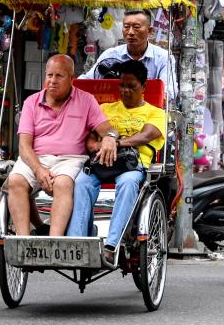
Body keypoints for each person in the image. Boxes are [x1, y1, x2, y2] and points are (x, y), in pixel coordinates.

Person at [5, 55, 118, 236]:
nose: (53, 81)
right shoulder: (31, 102)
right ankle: (22, 241)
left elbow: (108, 129)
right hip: (35, 157)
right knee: (15, 180)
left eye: (59, 76)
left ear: (72, 79)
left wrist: (110, 138)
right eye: (49, 75)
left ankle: (54, 240)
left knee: (63, 183)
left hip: (70, 159)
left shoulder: (86, 100)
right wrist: (39, 169)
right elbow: (24, 146)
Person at [67, 60, 166, 267]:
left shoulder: (155, 113)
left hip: (132, 164)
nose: (125, 91)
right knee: (81, 182)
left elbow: (146, 135)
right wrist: (97, 146)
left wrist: (115, 143)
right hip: (101, 162)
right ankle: (77, 242)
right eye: (122, 85)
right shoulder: (106, 108)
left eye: (132, 86)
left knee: (129, 183)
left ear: (143, 87)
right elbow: (91, 138)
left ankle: (111, 246)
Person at [79, 9, 178, 101]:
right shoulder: (110, 55)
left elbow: (169, 90)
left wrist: (155, 94)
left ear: (150, 31)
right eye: (126, 27)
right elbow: (87, 80)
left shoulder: (163, 57)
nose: (130, 32)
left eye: (136, 27)